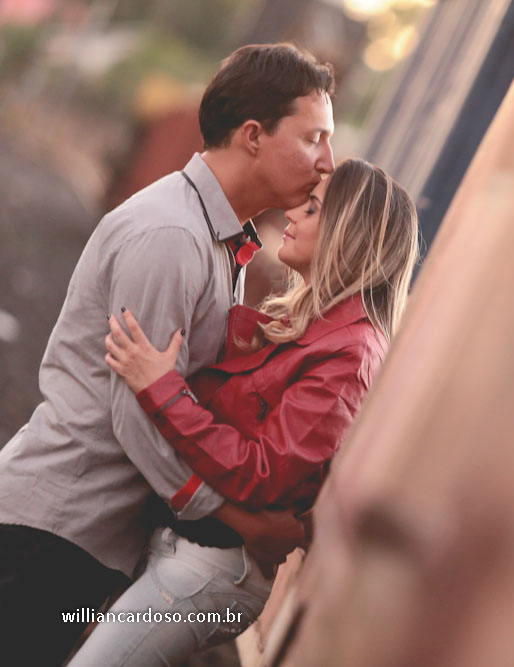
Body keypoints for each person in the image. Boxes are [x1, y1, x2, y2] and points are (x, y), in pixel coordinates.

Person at [0, 42, 334, 665]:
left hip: (87, 539)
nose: (327, 161)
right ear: (254, 135)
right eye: (314, 137)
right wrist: (241, 522)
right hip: (53, 531)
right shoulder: (172, 237)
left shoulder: (214, 239)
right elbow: (136, 416)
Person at [68, 159, 419, 665]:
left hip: (210, 571)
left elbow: (265, 474)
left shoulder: (351, 352)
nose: (292, 212)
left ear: (348, 234)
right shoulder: (317, 325)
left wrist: (162, 390)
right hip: (185, 547)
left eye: (313, 207)